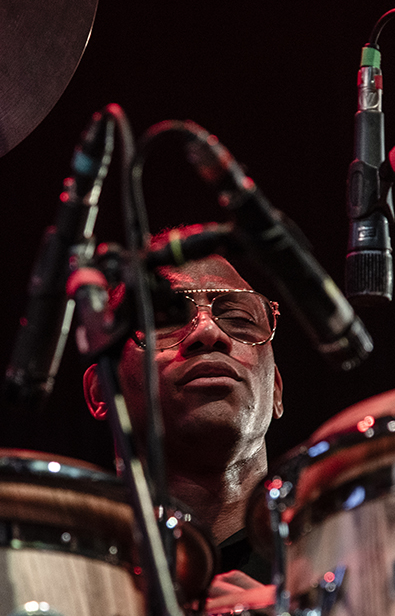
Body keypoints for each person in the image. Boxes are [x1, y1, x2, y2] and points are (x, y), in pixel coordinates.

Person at [81, 226, 283, 609]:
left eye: (238, 318)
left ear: (275, 389)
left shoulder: (339, 559)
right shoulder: (64, 575)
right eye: (166, 318)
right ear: (101, 391)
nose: (207, 331)